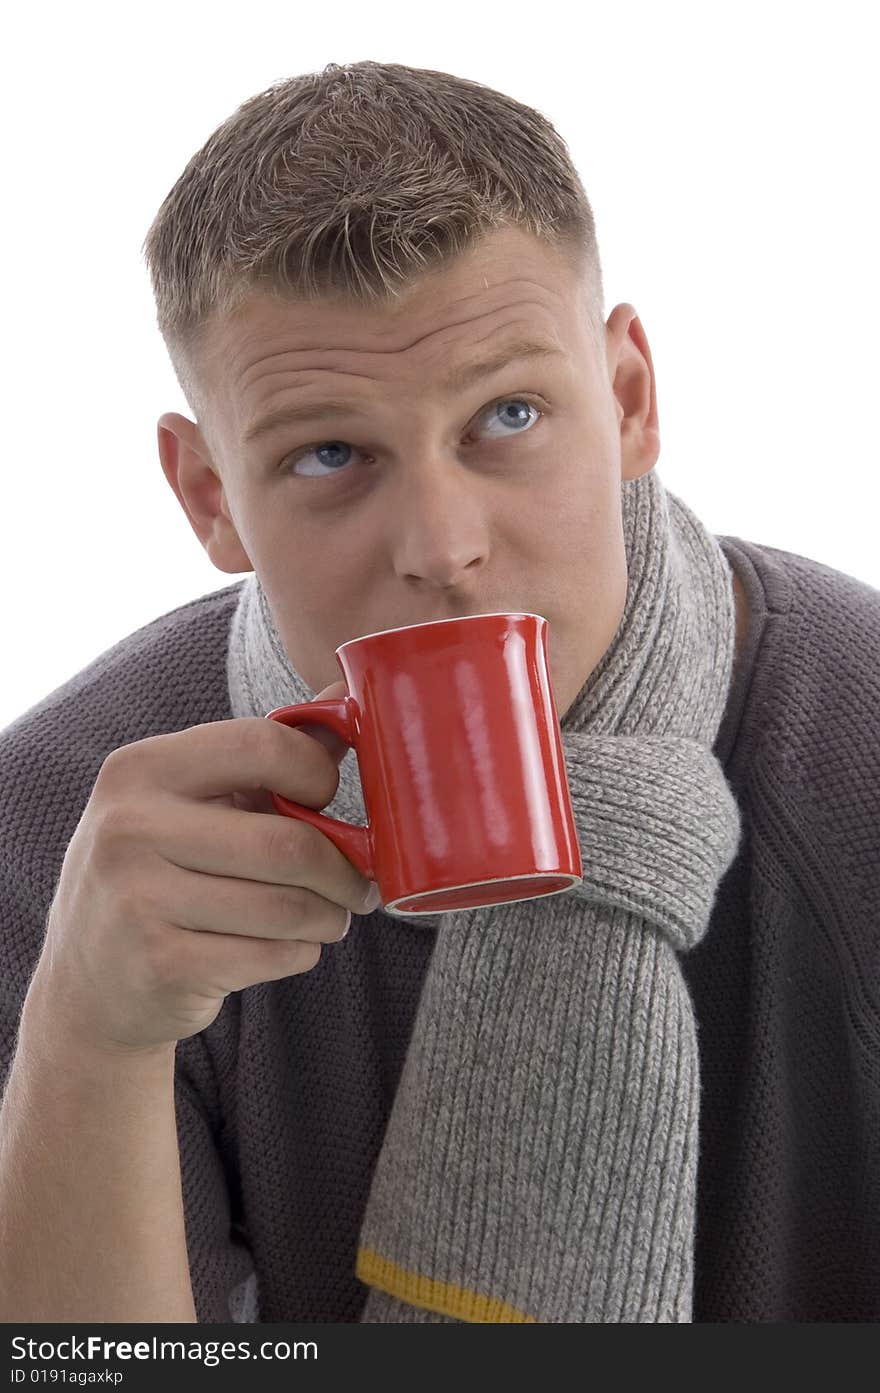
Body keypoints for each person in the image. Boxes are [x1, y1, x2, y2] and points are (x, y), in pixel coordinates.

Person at [0, 59, 877, 1325]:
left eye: (507, 414)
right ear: (207, 497)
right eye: (329, 454)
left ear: (629, 399)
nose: (441, 542)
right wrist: (90, 1037)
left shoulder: (856, 747)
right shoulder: (59, 844)